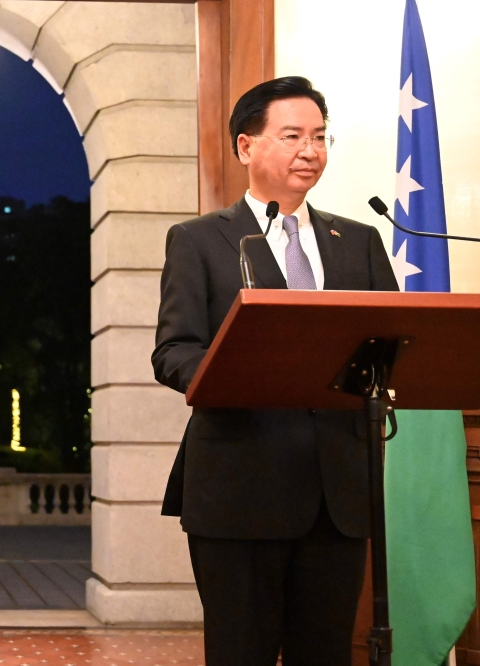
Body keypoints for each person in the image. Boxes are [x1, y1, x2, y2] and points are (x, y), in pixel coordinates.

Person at [152, 77, 398, 666]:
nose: (310, 150)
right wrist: (233, 373)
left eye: (319, 136)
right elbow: (174, 351)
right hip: (240, 486)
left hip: (338, 494)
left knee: (327, 654)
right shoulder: (200, 241)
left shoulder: (359, 241)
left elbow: (391, 346)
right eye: (292, 136)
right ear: (246, 147)